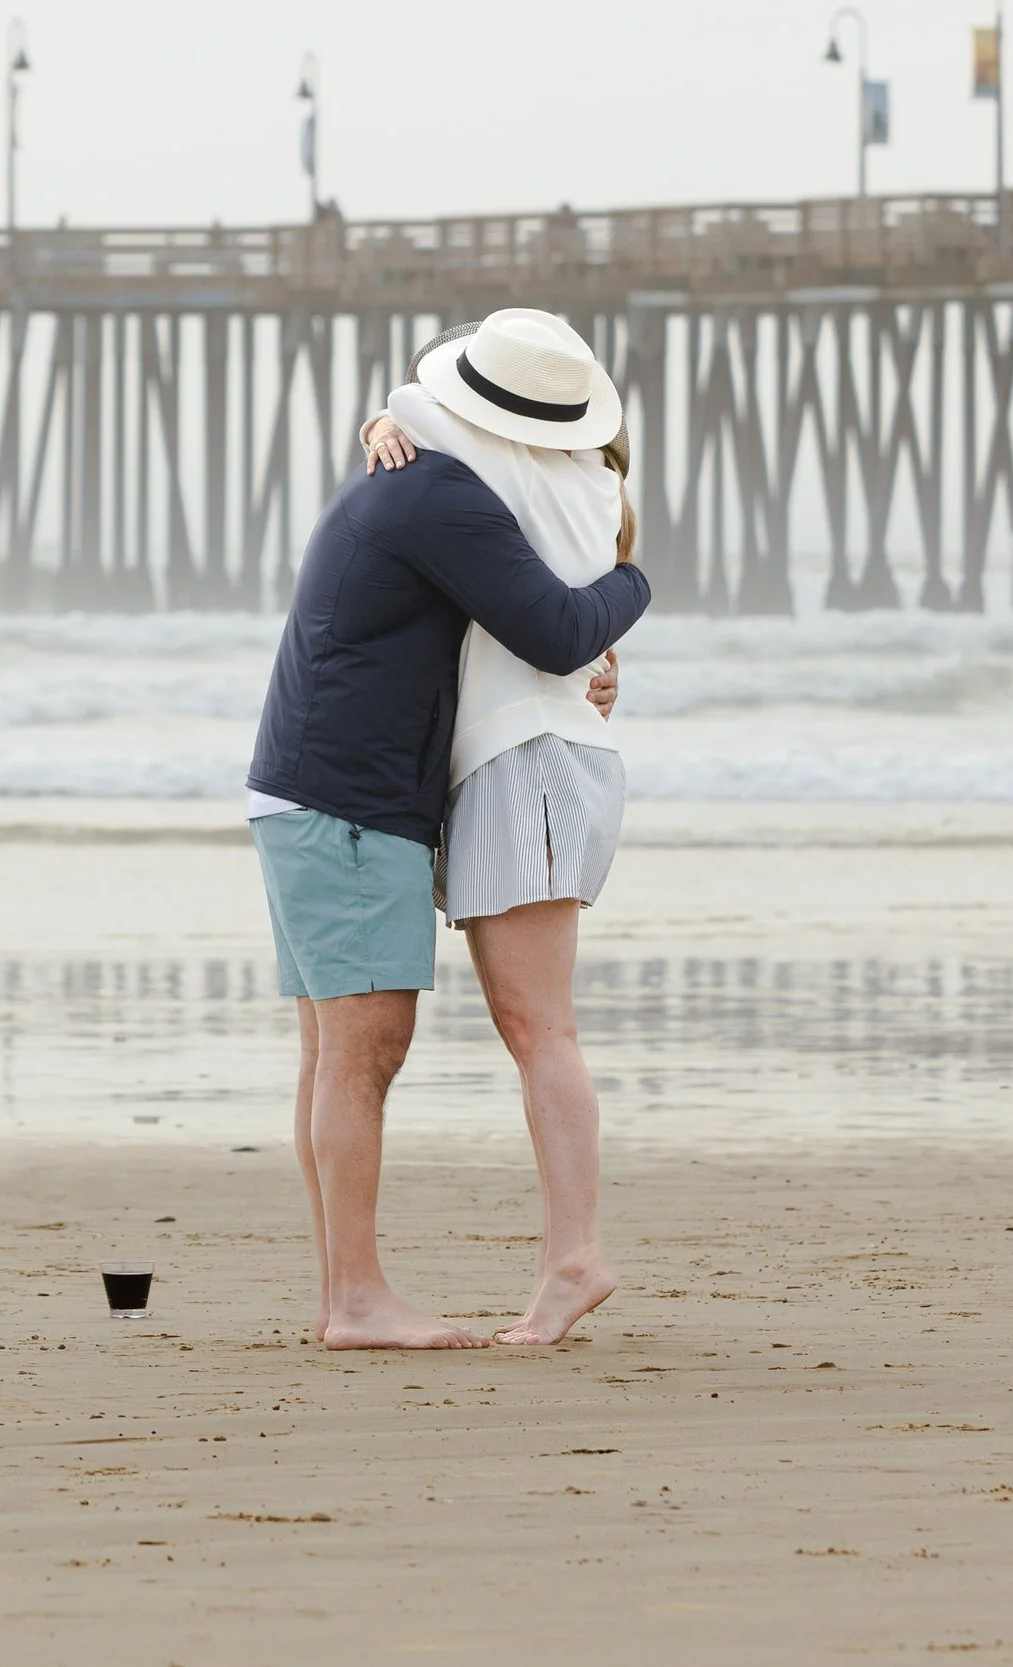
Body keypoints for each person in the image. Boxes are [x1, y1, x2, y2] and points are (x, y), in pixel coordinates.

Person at [247, 308, 650, 1350]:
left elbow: (541, 632)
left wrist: (385, 413)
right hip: (347, 794)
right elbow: (558, 628)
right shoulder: (444, 493)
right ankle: (356, 1296)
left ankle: (353, 1290)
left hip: (331, 788)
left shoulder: (433, 474)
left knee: (340, 1051)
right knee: (360, 1050)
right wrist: (636, 583)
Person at [355, 312, 636, 1346]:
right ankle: (572, 1254)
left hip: (526, 764)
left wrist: (377, 417)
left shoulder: (467, 452)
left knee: (540, 1028)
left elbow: (404, 406)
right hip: (561, 756)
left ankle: (574, 1259)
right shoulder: (594, 486)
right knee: (539, 1027)